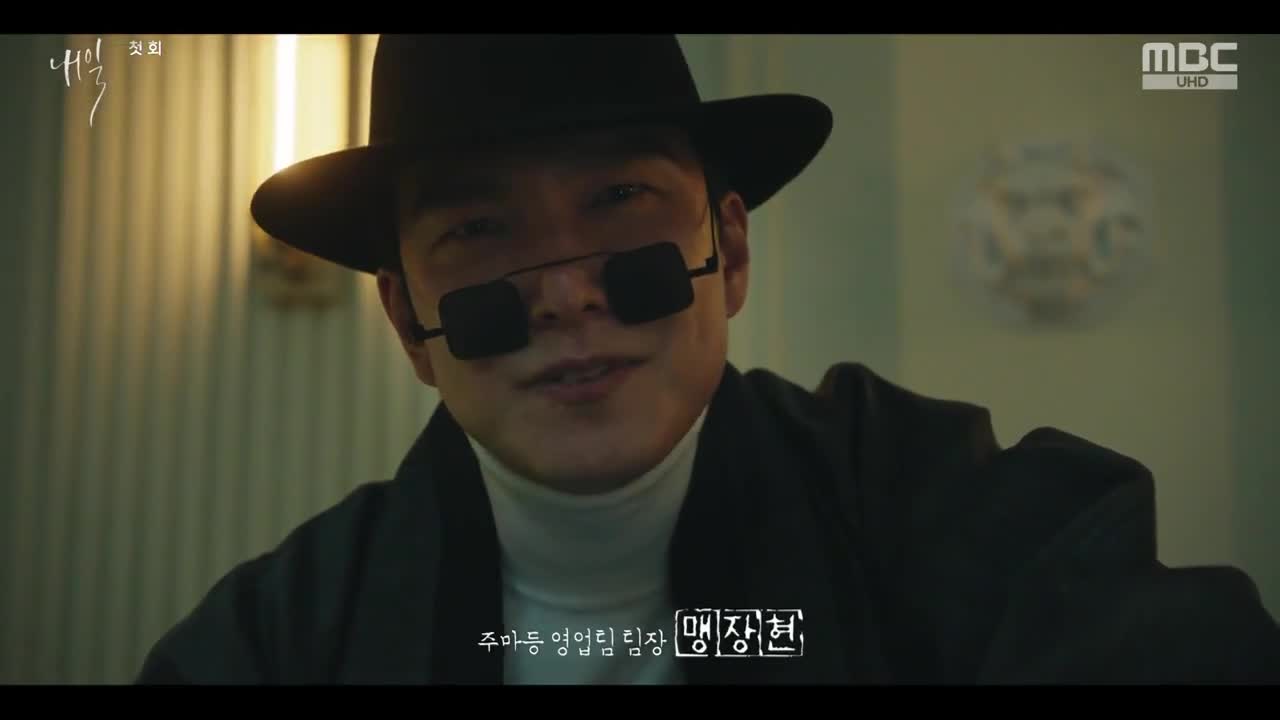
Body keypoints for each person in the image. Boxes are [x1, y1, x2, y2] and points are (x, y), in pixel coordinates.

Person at [135, 34, 1280, 685]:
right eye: (479, 231)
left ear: (727, 253)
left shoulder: (944, 509)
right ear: (405, 320)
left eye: (617, 201)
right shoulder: (281, 638)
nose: (566, 294)